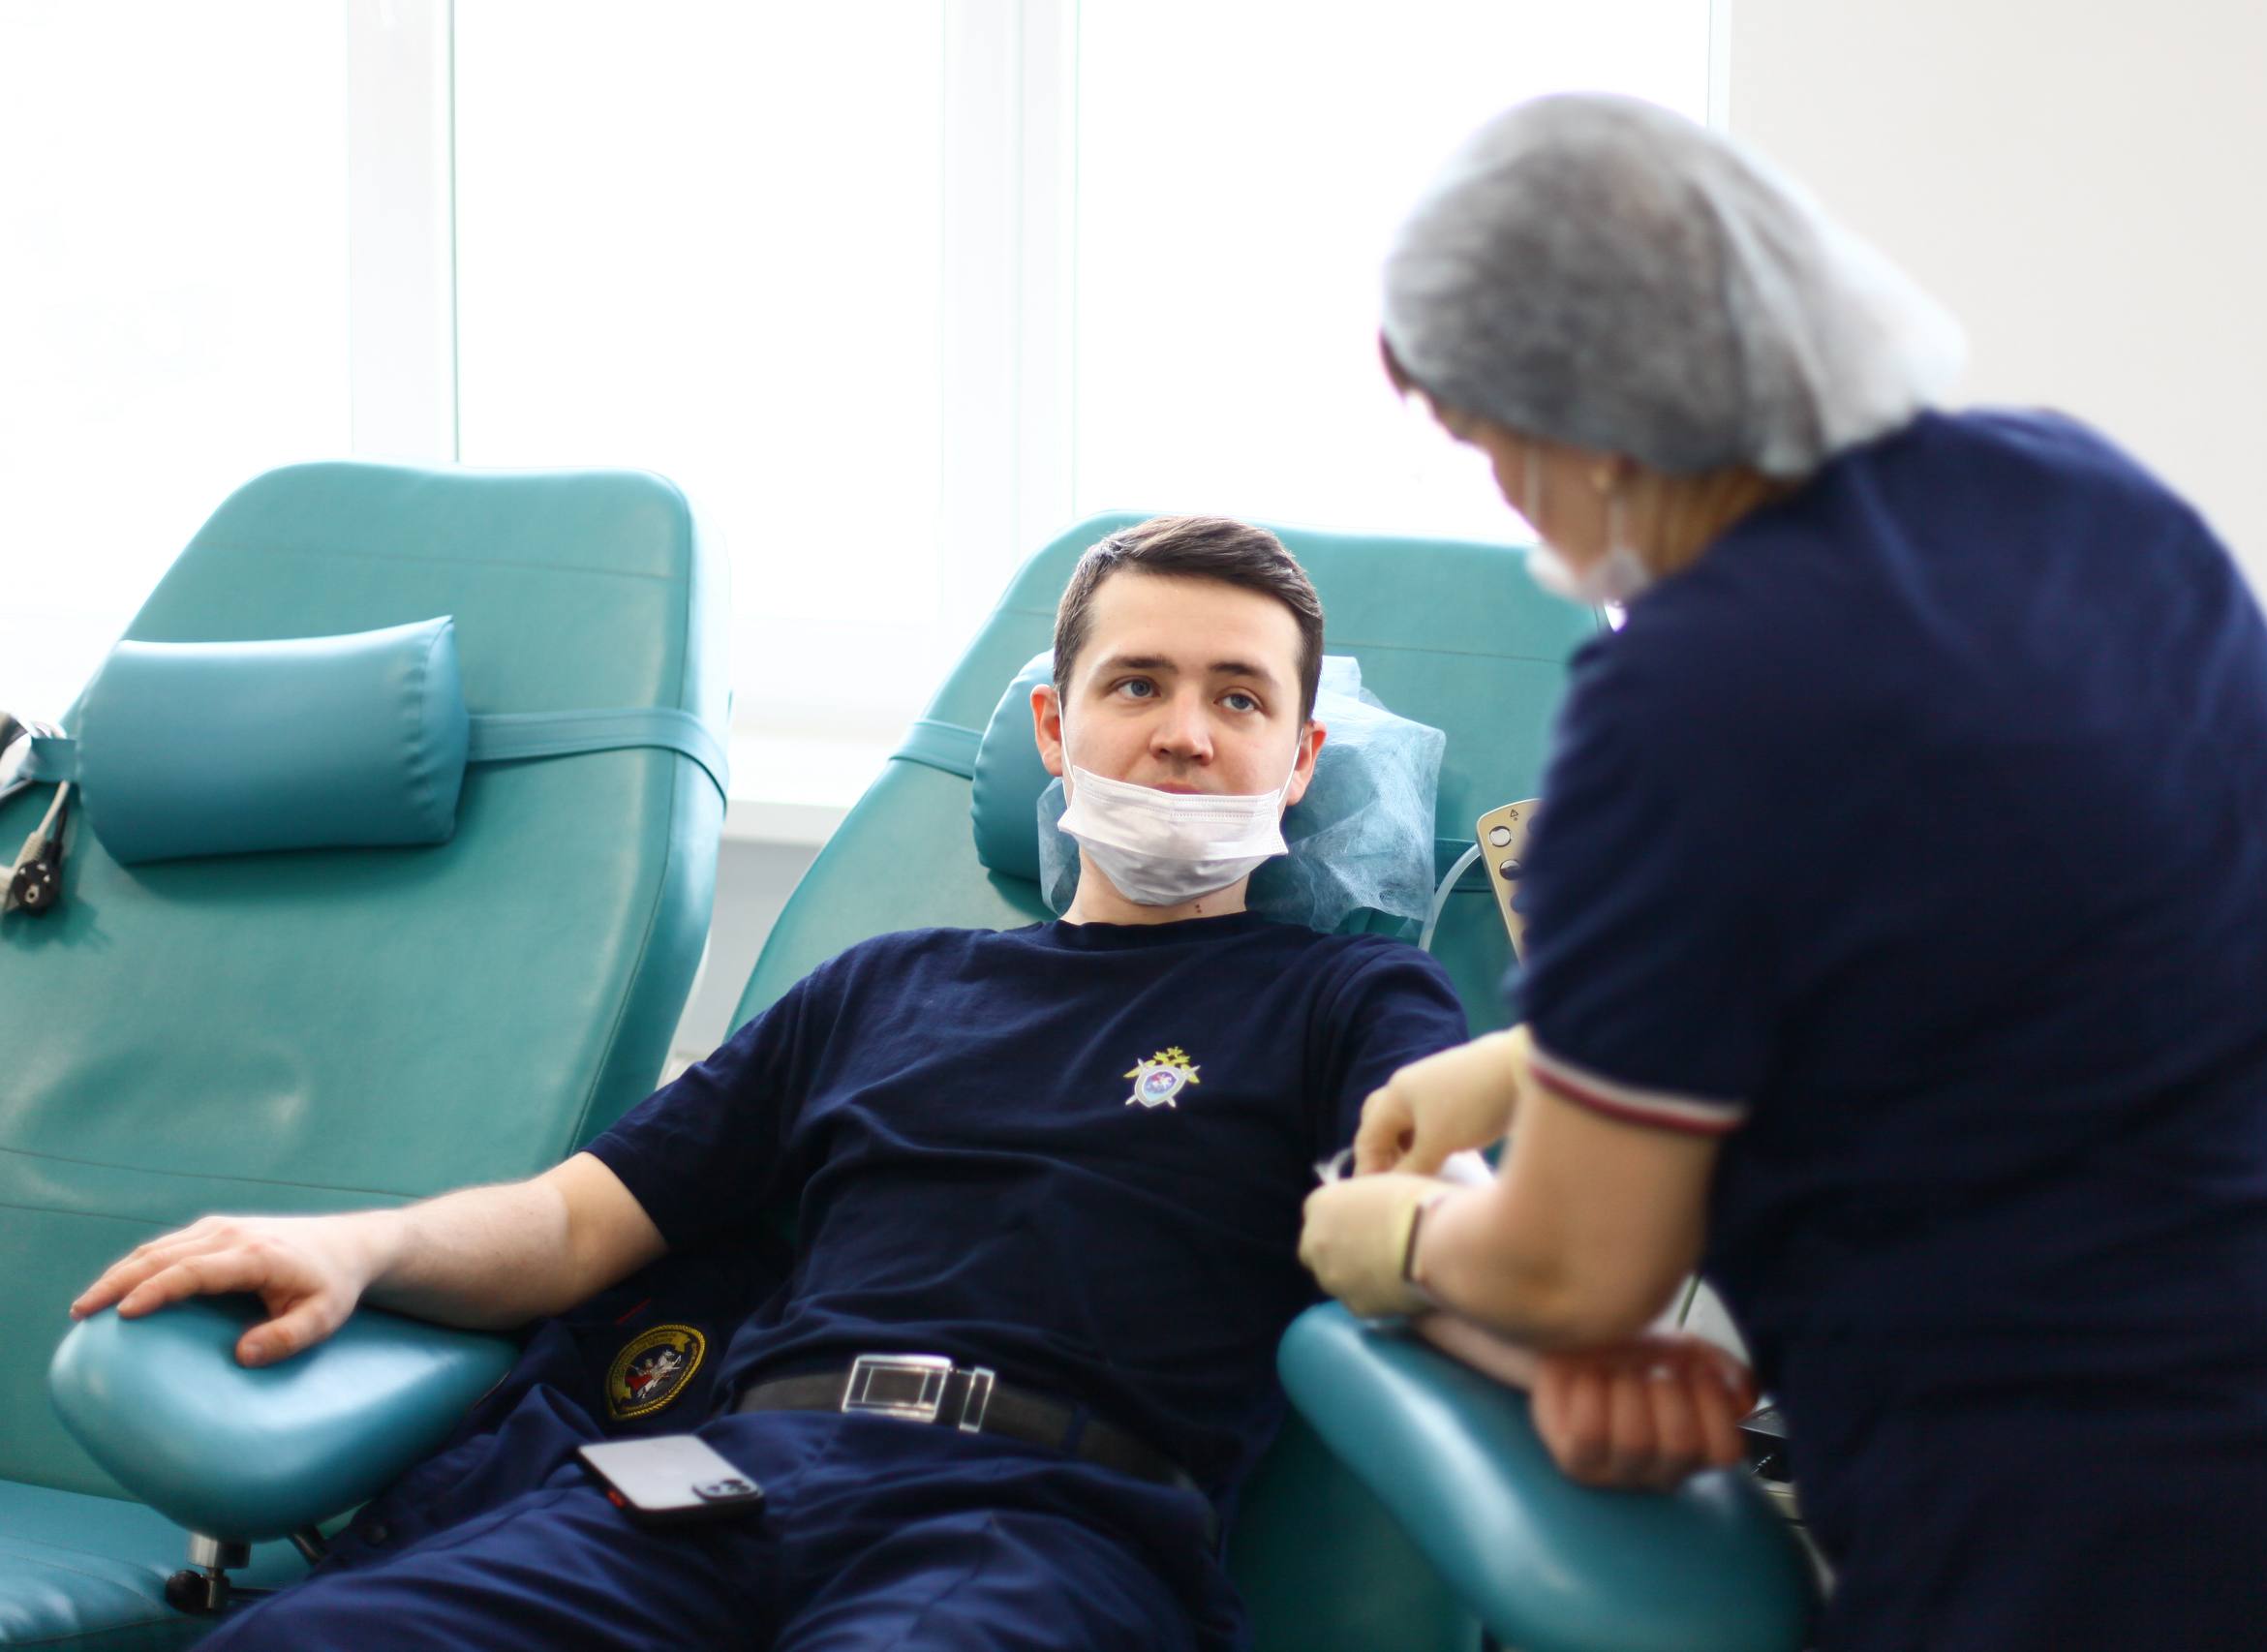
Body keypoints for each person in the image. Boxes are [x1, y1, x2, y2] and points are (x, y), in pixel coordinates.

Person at [71, 514, 1739, 1651]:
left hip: (1045, 1526)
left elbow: (1433, 1226)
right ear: (1054, 726)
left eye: (1239, 699)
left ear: (1299, 761)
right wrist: (357, 1246)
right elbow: (578, 1225)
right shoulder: (884, 984)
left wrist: (1569, 1339)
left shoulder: (1345, 997)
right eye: (1138, 684)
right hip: (720, 1486)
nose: (1184, 732)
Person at [1300, 92, 2267, 1651]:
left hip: (2115, 1558)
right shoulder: (2090, 503)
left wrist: (1383, 1242)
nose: (1506, 498)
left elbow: (1580, 1267)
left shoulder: (1679, 700)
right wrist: (1533, 1065)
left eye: (1490, 444)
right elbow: (2020, 952)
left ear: (1588, 413)